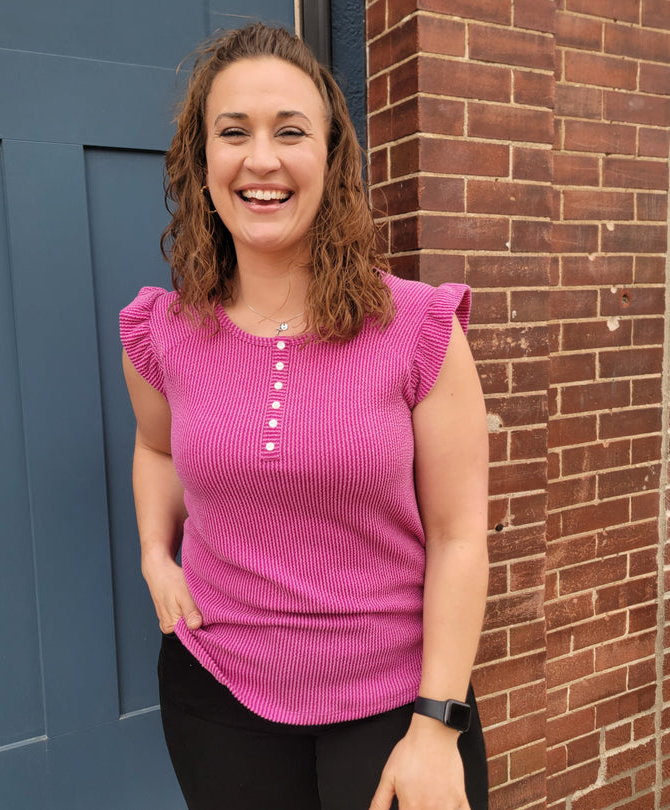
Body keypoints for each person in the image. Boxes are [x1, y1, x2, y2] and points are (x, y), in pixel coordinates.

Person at [120, 22, 489, 810]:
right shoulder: (162, 334)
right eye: (233, 133)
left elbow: (460, 537)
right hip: (218, 696)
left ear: (331, 157)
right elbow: (156, 451)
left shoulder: (420, 329)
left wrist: (436, 727)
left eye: (290, 131)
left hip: (397, 702)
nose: (261, 159)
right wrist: (157, 552)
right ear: (202, 162)